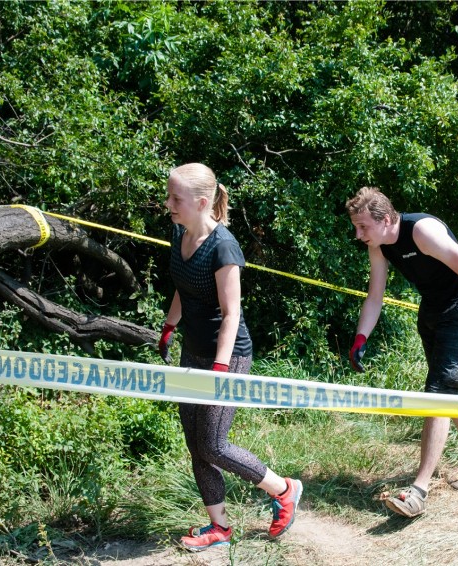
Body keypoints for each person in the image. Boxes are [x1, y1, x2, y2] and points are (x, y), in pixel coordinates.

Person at [158, 163, 302, 550]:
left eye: (176, 198)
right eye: (169, 196)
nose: (168, 204)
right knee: (195, 441)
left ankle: (284, 489)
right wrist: (170, 327)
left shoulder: (224, 247)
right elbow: (182, 288)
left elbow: (232, 312)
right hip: (194, 351)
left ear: (202, 202)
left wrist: (221, 368)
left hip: (228, 356)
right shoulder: (179, 233)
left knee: (214, 444)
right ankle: (219, 526)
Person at [345, 187, 458, 518]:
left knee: (439, 393)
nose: (358, 235)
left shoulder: (422, 231)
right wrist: (361, 337)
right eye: (356, 228)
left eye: (363, 227)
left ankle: (419, 489)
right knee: (454, 392)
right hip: (430, 312)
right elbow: (375, 296)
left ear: (385, 219)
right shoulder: (381, 245)